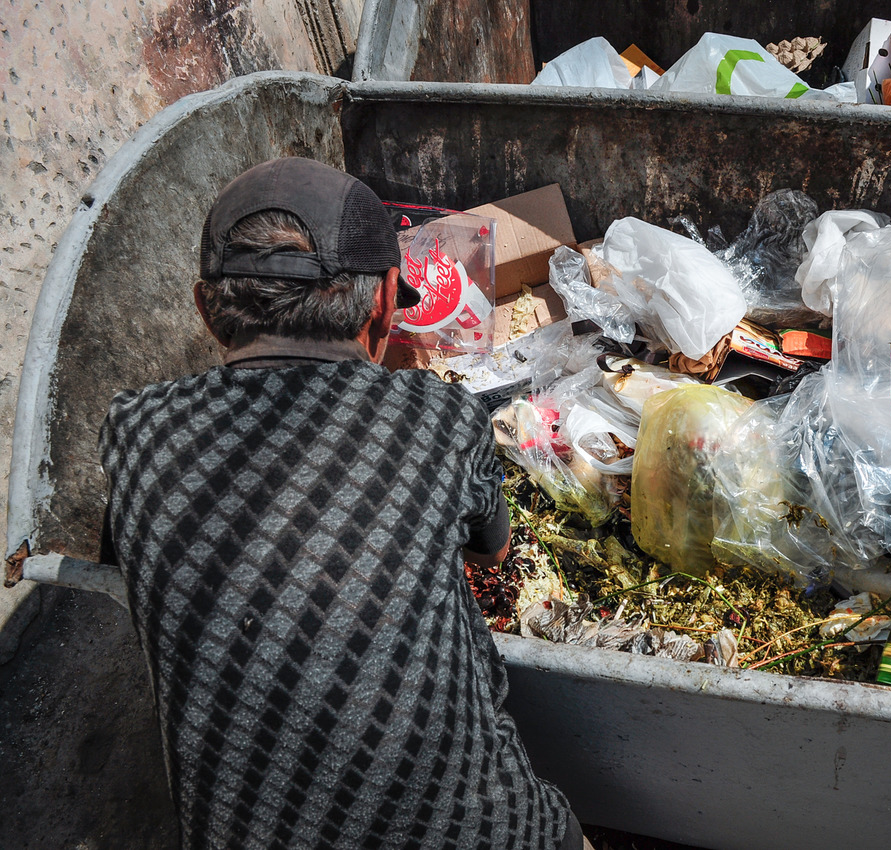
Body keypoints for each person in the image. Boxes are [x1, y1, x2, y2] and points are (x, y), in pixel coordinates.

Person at [98, 157, 585, 850]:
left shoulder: (135, 428)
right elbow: (493, 550)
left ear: (206, 311)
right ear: (385, 303)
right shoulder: (438, 415)